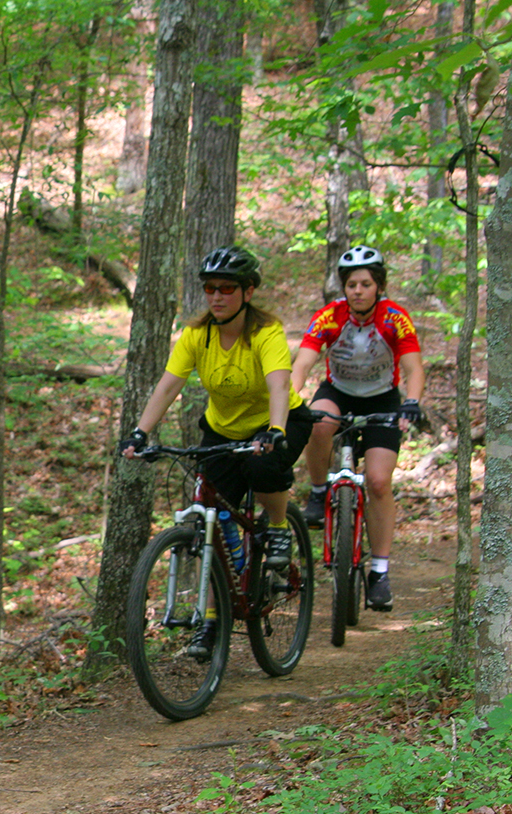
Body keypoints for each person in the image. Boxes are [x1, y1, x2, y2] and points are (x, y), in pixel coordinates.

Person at [119, 245, 313, 660]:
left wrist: (276, 430)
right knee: (210, 521)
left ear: (248, 291)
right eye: (210, 288)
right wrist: (140, 432)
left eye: (227, 288)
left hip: (280, 421)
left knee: (264, 470)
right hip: (222, 430)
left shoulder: (266, 332)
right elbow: (169, 385)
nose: (217, 296)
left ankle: (278, 528)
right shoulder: (197, 334)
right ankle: (209, 621)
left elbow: (280, 385)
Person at [291, 245, 423, 613]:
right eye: (352, 284)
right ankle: (319, 492)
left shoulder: (395, 318)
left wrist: (411, 401)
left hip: (382, 399)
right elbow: (303, 362)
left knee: (379, 482)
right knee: (318, 423)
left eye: (366, 284)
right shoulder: (329, 317)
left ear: (378, 286)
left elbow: (413, 367)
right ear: (344, 287)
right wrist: (291, 397)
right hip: (339, 393)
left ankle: (379, 572)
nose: (358, 291)